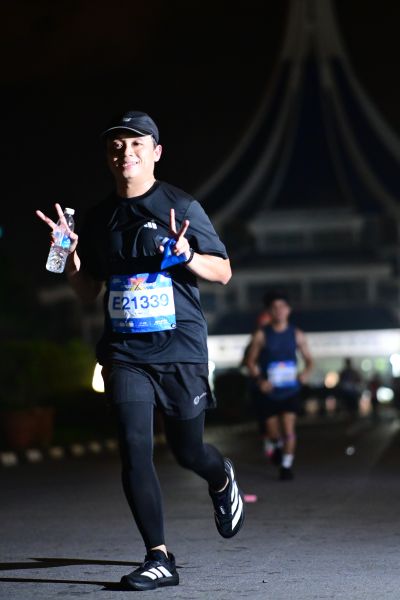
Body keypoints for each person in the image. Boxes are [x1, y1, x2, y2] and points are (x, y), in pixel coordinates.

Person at [36, 110, 244, 591]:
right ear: (107, 157)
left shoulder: (181, 205)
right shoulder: (98, 219)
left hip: (180, 348)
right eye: (116, 146)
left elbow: (223, 271)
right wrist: (67, 256)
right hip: (125, 352)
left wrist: (187, 255)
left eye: (136, 144)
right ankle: (158, 556)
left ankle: (220, 477)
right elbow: (87, 291)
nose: (125, 153)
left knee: (188, 451)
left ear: (156, 152)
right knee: (133, 448)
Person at [245, 290, 313, 480]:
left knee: (289, 429)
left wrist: (305, 374)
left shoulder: (297, 334)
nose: (279, 311)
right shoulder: (262, 334)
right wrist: (260, 381)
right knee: (274, 433)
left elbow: (309, 360)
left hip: (291, 389)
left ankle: (286, 466)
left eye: (283, 307)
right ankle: (274, 444)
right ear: (269, 311)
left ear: (289, 310)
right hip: (270, 391)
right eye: (275, 308)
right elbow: (250, 362)